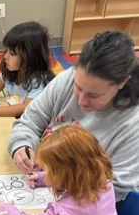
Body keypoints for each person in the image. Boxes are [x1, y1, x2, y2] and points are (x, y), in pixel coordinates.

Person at [8, 30, 139, 205]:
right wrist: (21, 146)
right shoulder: (68, 79)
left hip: (81, 207)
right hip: (40, 186)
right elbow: (29, 121)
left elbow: (116, 188)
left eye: (94, 95)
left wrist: (58, 179)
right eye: (78, 87)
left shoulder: (132, 124)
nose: (82, 101)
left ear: (122, 83)